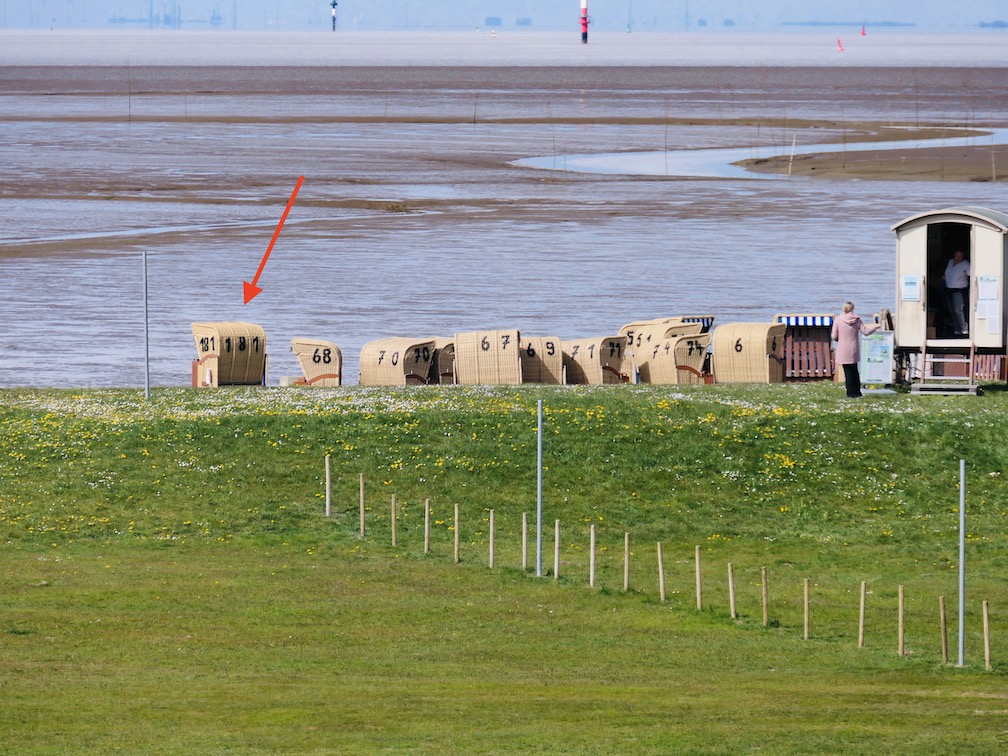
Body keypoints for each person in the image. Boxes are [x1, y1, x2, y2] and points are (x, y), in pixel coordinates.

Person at [831, 302, 880, 398]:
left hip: (843, 349)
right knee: (855, 371)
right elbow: (866, 332)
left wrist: (839, 339)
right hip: (854, 349)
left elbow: (834, 336)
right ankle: (857, 392)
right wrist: (875, 326)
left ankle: (850, 393)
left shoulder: (838, 319)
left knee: (847, 372)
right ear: (852, 308)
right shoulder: (857, 319)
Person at [943, 249, 970, 336]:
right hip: (948, 289)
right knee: (952, 311)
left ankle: (964, 329)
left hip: (959, 290)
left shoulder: (965, 264)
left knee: (958, 310)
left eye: (960, 256)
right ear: (954, 255)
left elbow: (971, 274)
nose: (958, 258)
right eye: (957, 255)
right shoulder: (951, 262)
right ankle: (957, 330)